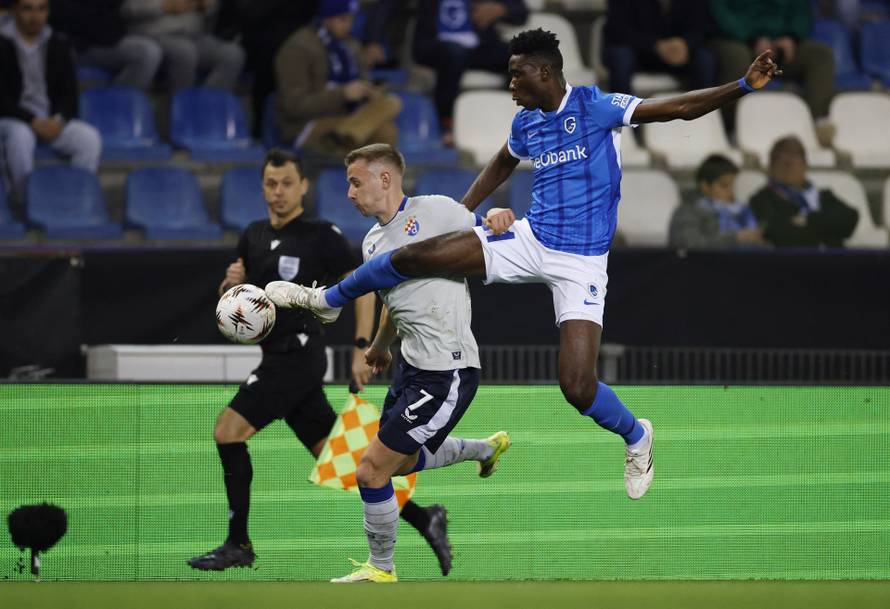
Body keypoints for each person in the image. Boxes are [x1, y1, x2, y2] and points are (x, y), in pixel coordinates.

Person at [265, 28, 783, 505]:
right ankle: (324, 301)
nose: (510, 83)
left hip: (581, 262)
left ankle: (637, 435)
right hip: (530, 239)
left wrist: (743, 84)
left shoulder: (594, 106)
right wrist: (460, 216)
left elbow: (677, 109)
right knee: (415, 257)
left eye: (517, 74)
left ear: (545, 73)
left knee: (577, 386)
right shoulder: (527, 123)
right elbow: (502, 162)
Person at [187, 148, 455, 576]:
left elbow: (366, 286)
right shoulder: (252, 235)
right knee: (351, 466)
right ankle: (426, 519)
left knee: (227, 431)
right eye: (270, 184)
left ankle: (238, 543)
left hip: (299, 356)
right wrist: (230, 285)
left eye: (286, 184)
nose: (278, 192)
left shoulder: (321, 235)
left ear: (303, 187)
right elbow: (238, 306)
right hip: (276, 357)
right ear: (262, 188)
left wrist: (361, 344)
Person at [276, 143, 510, 583]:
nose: (349, 193)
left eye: (355, 182)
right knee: (397, 465)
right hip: (410, 368)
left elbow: (489, 229)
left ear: (385, 179)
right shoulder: (372, 241)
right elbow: (393, 303)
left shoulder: (437, 211)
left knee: (369, 468)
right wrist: (382, 345)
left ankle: (381, 568)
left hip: (448, 371)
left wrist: (498, 218)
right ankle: (485, 448)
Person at [0, 0, 101, 205]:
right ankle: (25, 202)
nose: (34, 16)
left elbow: (69, 96)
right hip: (12, 119)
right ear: (14, 11)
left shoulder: (58, 43)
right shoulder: (2, 43)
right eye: (27, 8)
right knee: (20, 136)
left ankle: (74, 201)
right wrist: (31, 120)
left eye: (41, 9)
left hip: (49, 120)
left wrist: (58, 120)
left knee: (89, 138)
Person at [274, 0, 401, 157]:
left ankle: (343, 136)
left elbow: (359, 81)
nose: (348, 25)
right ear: (327, 18)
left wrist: (368, 92)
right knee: (383, 131)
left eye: (351, 19)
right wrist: (342, 94)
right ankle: (345, 143)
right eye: (342, 19)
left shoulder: (349, 45)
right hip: (307, 126)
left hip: (345, 119)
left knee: (390, 104)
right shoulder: (298, 48)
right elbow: (294, 106)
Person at [707, 0, 835, 138]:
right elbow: (721, 13)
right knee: (737, 57)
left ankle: (815, 123)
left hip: (779, 45)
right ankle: (731, 127)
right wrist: (752, 39)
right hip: (737, 40)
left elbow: (801, 10)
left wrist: (792, 37)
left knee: (821, 55)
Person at [413, 0, 528, 145]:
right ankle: (447, 123)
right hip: (436, 45)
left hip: (478, 45)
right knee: (455, 53)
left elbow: (520, 12)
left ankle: (521, 121)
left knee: (521, 57)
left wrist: (500, 9)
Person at [748, 136, 858, 247]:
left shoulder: (823, 196)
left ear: (805, 166)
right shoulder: (761, 200)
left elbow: (849, 219)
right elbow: (778, 233)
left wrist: (807, 220)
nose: (788, 166)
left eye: (794, 159)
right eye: (781, 160)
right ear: (771, 167)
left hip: (834, 261)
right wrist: (825, 225)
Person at [122, 0, 245, 91]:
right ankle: (183, 111)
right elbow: (127, 9)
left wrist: (208, 6)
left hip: (194, 34)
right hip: (154, 34)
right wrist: (165, 6)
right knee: (185, 51)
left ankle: (206, 110)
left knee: (232, 54)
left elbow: (212, 13)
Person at [602, 0, 716, 95]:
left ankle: (701, 114)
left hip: (677, 53)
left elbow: (702, 27)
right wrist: (656, 46)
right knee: (621, 57)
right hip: (638, 53)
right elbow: (616, 30)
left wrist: (685, 43)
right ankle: (622, 116)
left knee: (704, 58)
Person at [49, 0, 162, 90]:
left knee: (149, 51)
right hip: (75, 44)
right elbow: (61, 14)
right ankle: (113, 107)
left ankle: (116, 107)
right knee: (147, 52)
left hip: (107, 38)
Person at [669, 153, 765, 249]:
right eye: (724, 186)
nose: (731, 191)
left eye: (734, 186)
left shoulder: (742, 211)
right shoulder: (687, 212)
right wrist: (735, 238)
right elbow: (692, 247)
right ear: (705, 187)